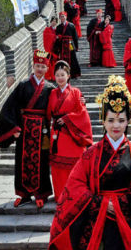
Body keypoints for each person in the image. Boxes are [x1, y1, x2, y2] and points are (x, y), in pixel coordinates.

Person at [49, 76, 131, 250]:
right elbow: (75, 185)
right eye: (111, 120)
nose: (116, 126)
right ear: (102, 121)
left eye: (121, 121)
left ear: (128, 121)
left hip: (128, 218)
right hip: (97, 219)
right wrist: (100, 203)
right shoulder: (91, 154)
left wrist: (119, 204)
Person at [0, 50, 55, 209]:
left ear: (47, 68)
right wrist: (13, 127)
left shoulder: (50, 88)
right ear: (33, 66)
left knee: (41, 161)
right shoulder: (23, 85)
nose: (40, 69)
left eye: (43, 66)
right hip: (25, 129)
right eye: (37, 65)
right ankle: (24, 194)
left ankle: (40, 194)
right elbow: (10, 106)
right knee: (23, 160)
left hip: (42, 131)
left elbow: (57, 107)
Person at [47, 60, 93, 202]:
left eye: (63, 74)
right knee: (57, 167)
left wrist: (67, 118)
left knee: (75, 165)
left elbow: (82, 112)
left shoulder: (76, 92)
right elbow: (48, 112)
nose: (60, 78)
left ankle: (76, 193)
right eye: (57, 75)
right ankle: (60, 194)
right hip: (57, 135)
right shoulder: (52, 93)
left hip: (72, 135)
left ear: (68, 76)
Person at [54, 12, 81, 78]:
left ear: (66, 17)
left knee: (73, 58)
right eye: (61, 17)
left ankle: (74, 74)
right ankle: (64, 74)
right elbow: (57, 38)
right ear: (60, 18)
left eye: (63, 16)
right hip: (62, 45)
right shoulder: (58, 27)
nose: (62, 18)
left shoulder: (71, 25)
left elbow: (75, 37)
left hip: (70, 44)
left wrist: (76, 46)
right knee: (63, 59)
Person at [43, 16, 58, 81]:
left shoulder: (57, 30)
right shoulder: (47, 29)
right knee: (49, 62)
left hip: (56, 48)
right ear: (50, 22)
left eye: (55, 21)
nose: (53, 23)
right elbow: (46, 37)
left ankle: (55, 76)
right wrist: (54, 37)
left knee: (55, 62)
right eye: (53, 21)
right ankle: (49, 76)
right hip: (49, 48)